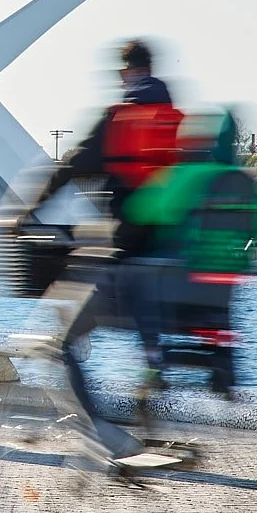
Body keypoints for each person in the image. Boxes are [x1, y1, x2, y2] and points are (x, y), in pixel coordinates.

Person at [26, 39, 184, 458]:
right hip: (179, 269)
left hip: (126, 264)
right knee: (147, 336)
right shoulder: (182, 124)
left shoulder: (120, 119)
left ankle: (100, 432)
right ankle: (151, 384)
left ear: (126, 73)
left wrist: (29, 213)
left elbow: (73, 167)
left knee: (60, 344)